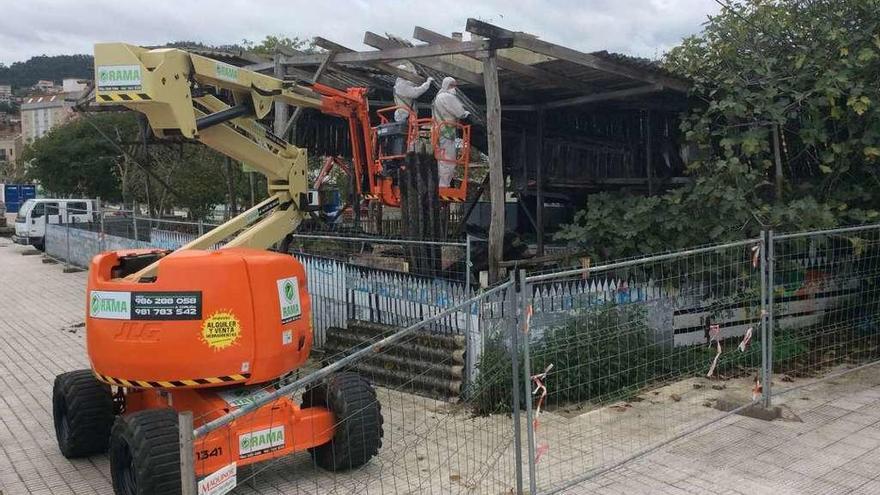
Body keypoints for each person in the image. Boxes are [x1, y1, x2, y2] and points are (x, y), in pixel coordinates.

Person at [432, 77, 470, 187]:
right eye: (453, 85)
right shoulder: (448, 97)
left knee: (441, 159)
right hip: (447, 131)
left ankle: (440, 183)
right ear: (448, 85)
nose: (455, 88)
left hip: (438, 131)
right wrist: (466, 113)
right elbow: (460, 112)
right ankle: (444, 185)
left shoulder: (437, 98)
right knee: (449, 159)